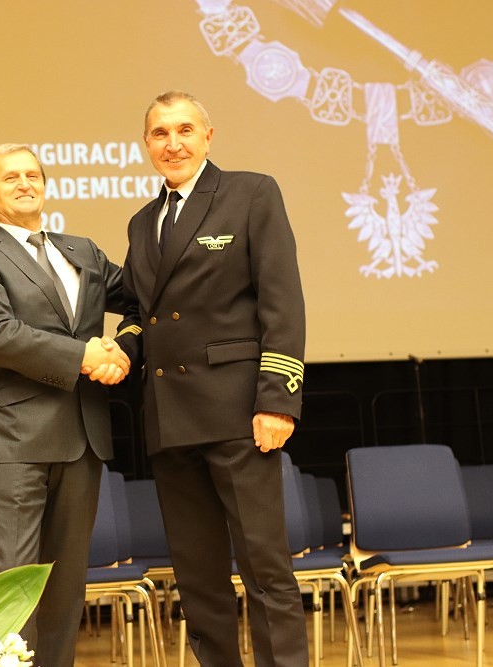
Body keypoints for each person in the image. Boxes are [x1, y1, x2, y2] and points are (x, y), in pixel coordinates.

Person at [113, 91, 308, 666]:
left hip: (238, 413)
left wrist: (278, 401)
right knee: (197, 579)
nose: (172, 143)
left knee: (266, 570)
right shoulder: (142, 222)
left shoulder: (251, 193)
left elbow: (282, 303)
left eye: (184, 130)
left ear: (207, 136)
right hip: (170, 418)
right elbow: (139, 312)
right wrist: (120, 351)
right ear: (146, 144)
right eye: (160, 133)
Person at [0, 143, 130, 667]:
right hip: (15, 441)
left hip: (84, 438)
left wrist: (124, 347)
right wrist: (84, 356)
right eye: (11, 177)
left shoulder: (83, 250)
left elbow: (145, 299)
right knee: (14, 587)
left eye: (33, 175)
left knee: (66, 588)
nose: (25, 183)